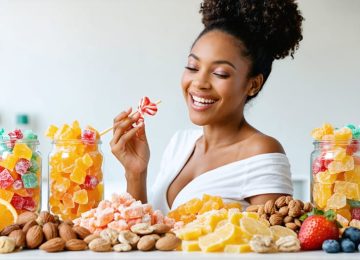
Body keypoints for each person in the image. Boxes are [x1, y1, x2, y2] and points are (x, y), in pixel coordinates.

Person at [110, 0, 304, 214]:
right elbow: (143, 237)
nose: (199, 82)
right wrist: (135, 172)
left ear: (253, 84)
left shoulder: (261, 151)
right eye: (192, 67)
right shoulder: (179, 144)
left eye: (220, 73)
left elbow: (274, 240)